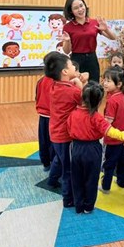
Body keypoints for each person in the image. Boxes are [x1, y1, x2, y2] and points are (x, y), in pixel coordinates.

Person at [68, 81, 124, 214]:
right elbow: (110, 131)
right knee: (91, 179)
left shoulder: (73, 114)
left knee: (77, 178)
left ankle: (78, 205)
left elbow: (69, 129)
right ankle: (88, 206)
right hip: (92, 150)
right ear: (98, 102)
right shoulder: (96, 117)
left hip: (76, 148)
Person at [45, 52, 84, 208]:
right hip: (66, 135)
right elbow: (87, 102)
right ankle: (68, 199)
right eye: (71, 65)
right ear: (65, 71)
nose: (74, 66)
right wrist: (80, 85)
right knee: (69, 168)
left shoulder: (54, 86)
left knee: (59, 159)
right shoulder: (72, 91)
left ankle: (52, 180)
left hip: (55, 133)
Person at [61, 0, 116, 82]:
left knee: (94, 85)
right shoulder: (67, 27)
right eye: (76, 8)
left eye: (81, 5)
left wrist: (106, 29)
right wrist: (67, 41)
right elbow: (66, 51)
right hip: (76, 59)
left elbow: (113, 37)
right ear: (71, 11)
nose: (80, 9)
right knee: (77, 85)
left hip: (92, 58)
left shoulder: (94, 22)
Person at [100, 66, 124, 193]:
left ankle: (106, 186)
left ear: (119, 84)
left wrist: (100, 132)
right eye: (104, 80)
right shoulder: (122, 95)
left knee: (109, 164)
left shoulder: (112, 100)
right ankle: (122, 182)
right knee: (123, 162)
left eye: (108, 81)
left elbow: (108, 122)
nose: (104, 83)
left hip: (113, 139)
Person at [36, 54, 55, 171]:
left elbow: (37, 97)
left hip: (42, 116)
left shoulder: (41, 81)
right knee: (54, 141)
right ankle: (54, 164)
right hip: (54, 117)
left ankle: (46, 163)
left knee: (43, 140)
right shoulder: (57, 82)